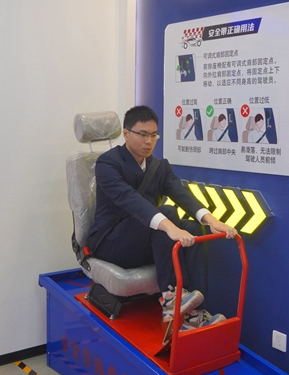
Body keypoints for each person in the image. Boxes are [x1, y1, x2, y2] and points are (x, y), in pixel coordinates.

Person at [88, 105, 237, 327]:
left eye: (153, 135)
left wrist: (212, 221)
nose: (149, 141)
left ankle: (195, 312)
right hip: (111, 243)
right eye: (142, 134)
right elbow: (129, 199)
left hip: (144, 242)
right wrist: (169, 226)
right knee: (167, 215)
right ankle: (170, 298)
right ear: (126, 133)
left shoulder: (159, 167)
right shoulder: (108, 163)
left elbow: (181, 194)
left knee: (193, 229)